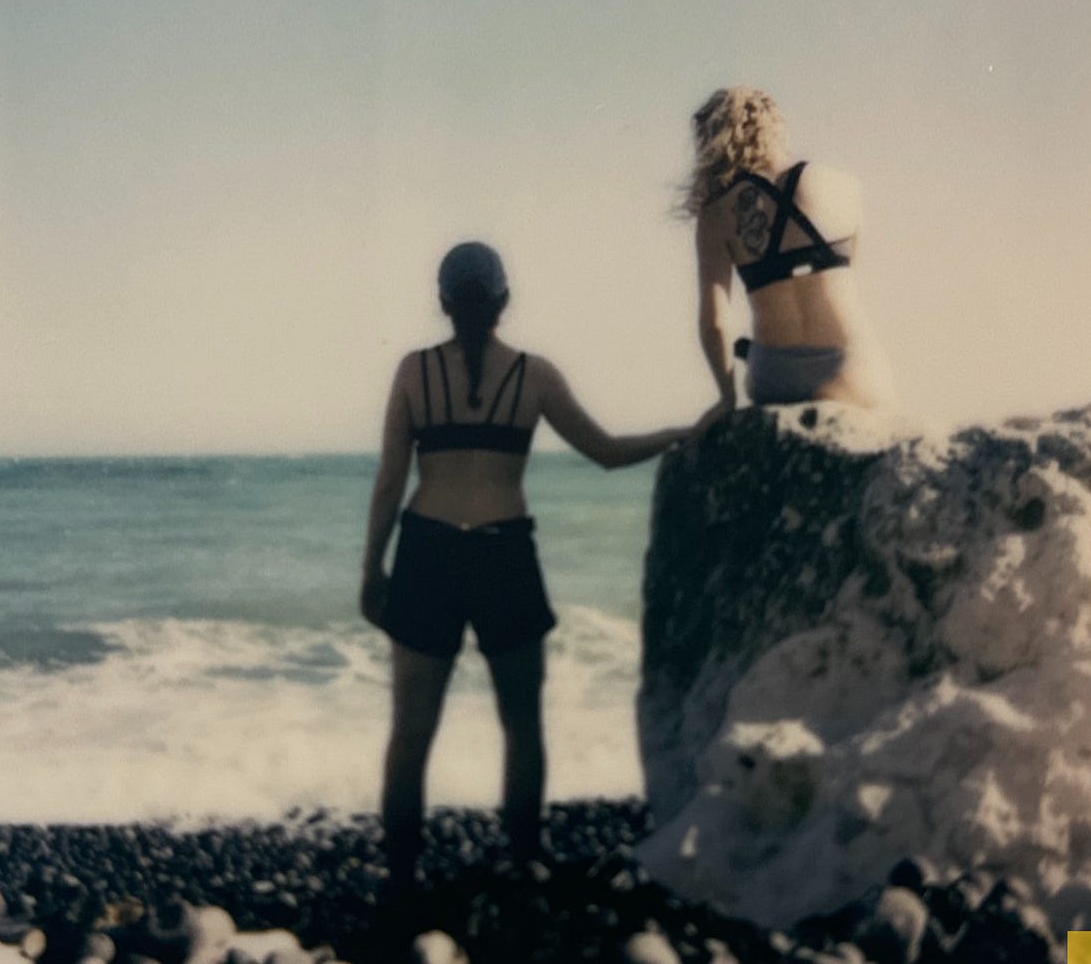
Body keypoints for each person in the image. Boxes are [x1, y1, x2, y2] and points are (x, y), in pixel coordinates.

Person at [360, 240, 718, 911]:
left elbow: (388, 484)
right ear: (503, 303)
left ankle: (402, 877)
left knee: (410, 730)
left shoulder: (414, 373)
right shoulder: (534, 375)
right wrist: (679, 433)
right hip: (503, 553)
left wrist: (370, 569)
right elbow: (607, 453)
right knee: (522, 723)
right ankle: (525, 860)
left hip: (427, 551)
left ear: (442, 302)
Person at [682, 86, 897, 411]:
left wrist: (726, 398)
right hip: (849, 369)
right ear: (775, 127)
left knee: (752, 349)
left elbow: (714, 323)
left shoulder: (717, 213)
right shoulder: (843, 185)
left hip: (775, 375)